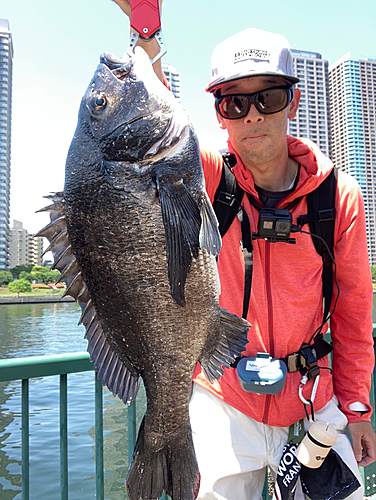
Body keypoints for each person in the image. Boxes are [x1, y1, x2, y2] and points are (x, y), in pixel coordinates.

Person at [112, 2, 376, 499]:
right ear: (219, 113)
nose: (252, 115)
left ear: (293, 103)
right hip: (224, 397)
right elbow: (153, 130)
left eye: (268, 97)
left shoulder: (339, 196)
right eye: (234, 102)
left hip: (315, 403)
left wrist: (357, 410)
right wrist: (146, 31)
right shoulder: (207, 176)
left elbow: (355, 315)